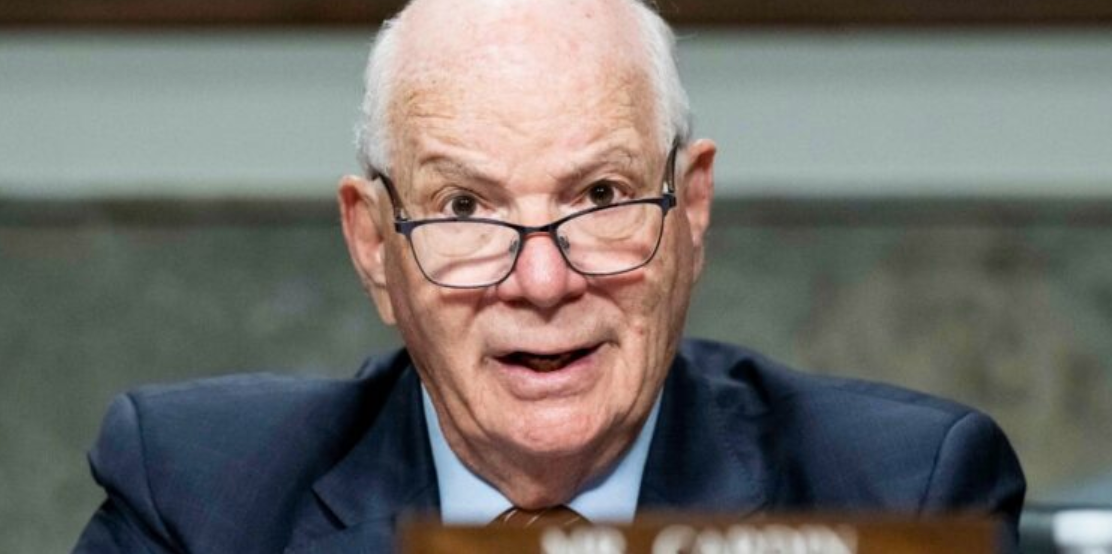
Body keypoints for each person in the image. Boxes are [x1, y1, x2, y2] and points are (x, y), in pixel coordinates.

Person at [73, 0, 1025, 552]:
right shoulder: (198, 500)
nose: (539, 280)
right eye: (464, 208)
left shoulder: (899, 494)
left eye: (601, 194)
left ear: (691, 211)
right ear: (372, 245)